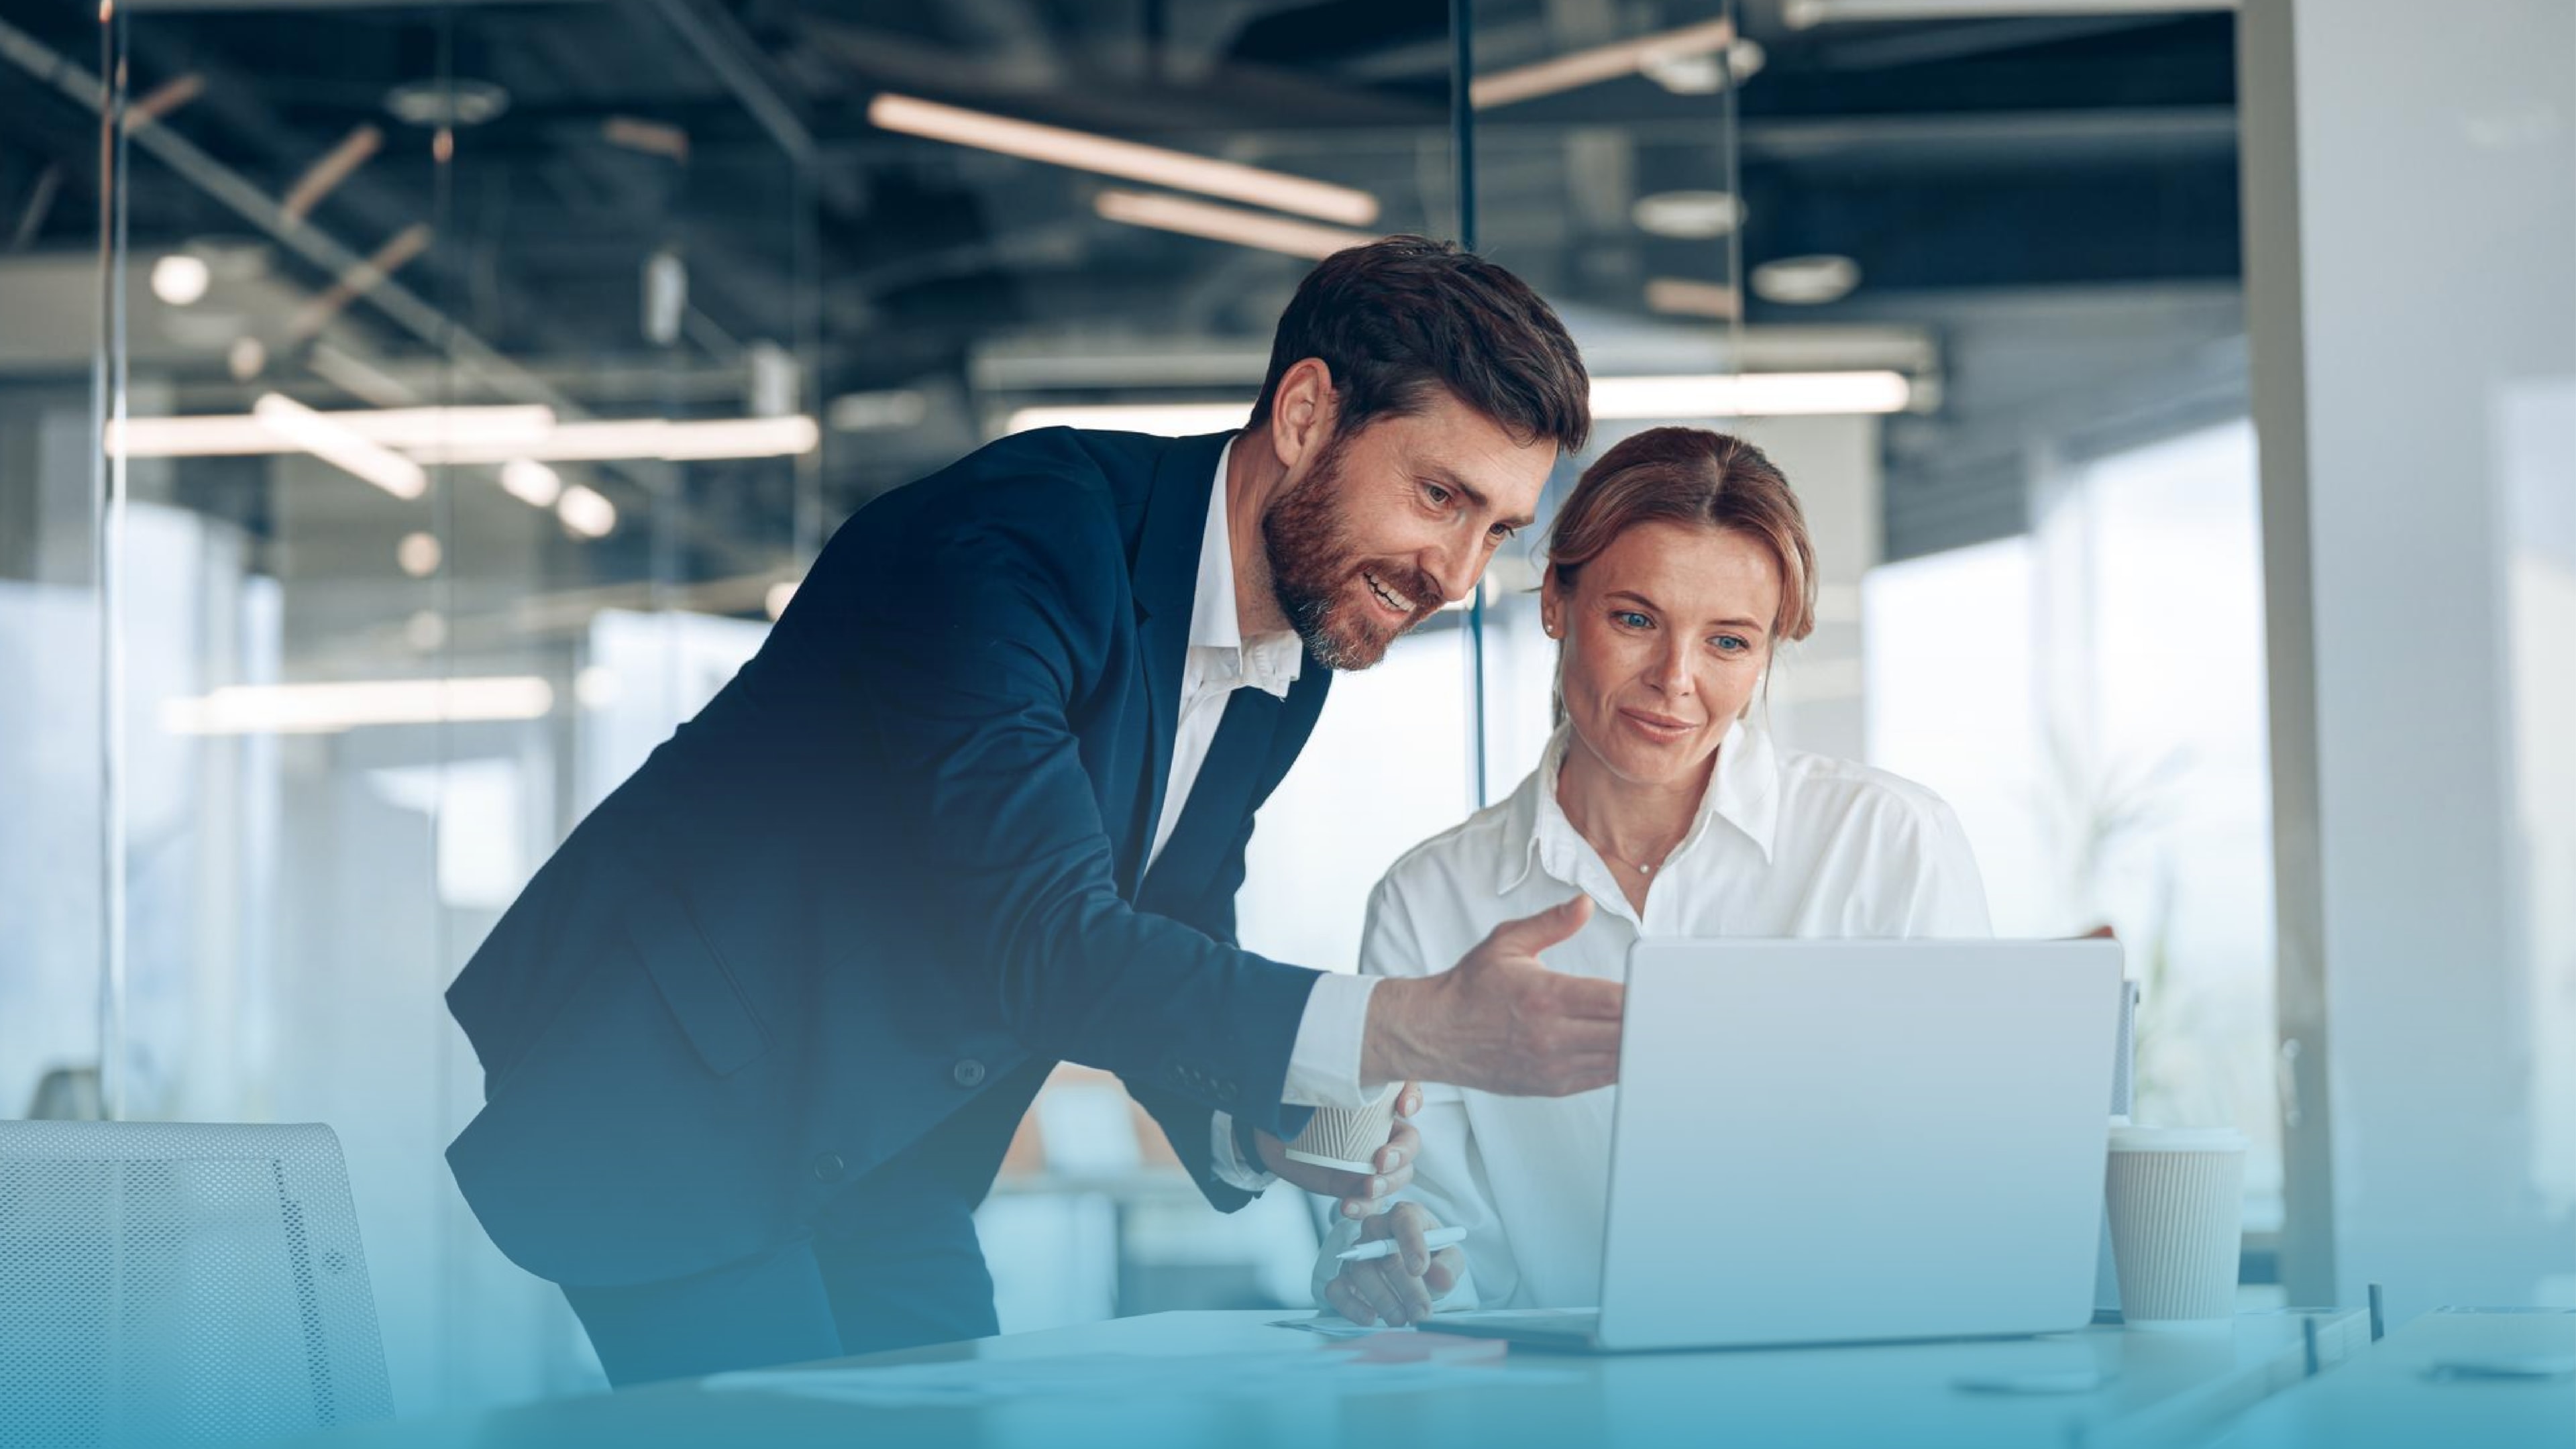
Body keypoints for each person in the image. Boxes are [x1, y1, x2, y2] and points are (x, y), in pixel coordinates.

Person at [443, 237, 1628, 1385]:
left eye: (1498, 530)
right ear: (1307, 413)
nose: (1458, 574)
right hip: (669, 1094)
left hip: (880, 1137)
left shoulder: (1294, 646)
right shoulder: (1021, 539)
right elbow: (1043, 934)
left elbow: (1169, 908)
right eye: (1439, 496)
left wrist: (1270, 1126)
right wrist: (1407, 1025)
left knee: (959, 1418)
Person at [1313, 427, 1992, 1326]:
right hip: (1555, 1413)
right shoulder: (1432, 901)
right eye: (1635, 620)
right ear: (1557, 599)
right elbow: (1429, 1222)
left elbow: (1972, 1175)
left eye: (1729, 643)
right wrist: (1400, 1258)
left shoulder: (1888, 844)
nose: (1676, 680)